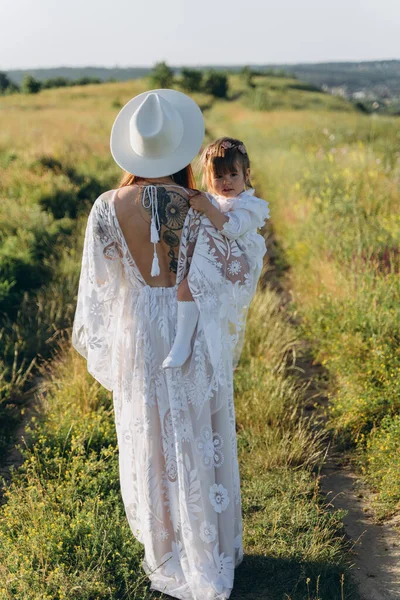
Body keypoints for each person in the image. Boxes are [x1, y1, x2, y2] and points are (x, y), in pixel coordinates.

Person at [71, 89, 259, 600]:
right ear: (180, 148)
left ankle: (168, 548)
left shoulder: (106, 208)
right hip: (188, 327)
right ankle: (209, 547)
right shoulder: (202, 205)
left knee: (151, 433)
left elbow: (99, 288)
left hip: (139, 333)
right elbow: (237, 268)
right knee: (198, 430)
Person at [162, 136, 270, 369]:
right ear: (208, 179)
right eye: (218, 176)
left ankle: (183, 345)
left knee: (191, 291)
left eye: (233, 175)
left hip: (235, 266)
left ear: (247, 175)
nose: (226, 182)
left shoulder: (248, 206)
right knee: (185, 289)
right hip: (214, 260)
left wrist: (208, 209)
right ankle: (185, 343)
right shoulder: (215, 202)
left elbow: (232, 228)